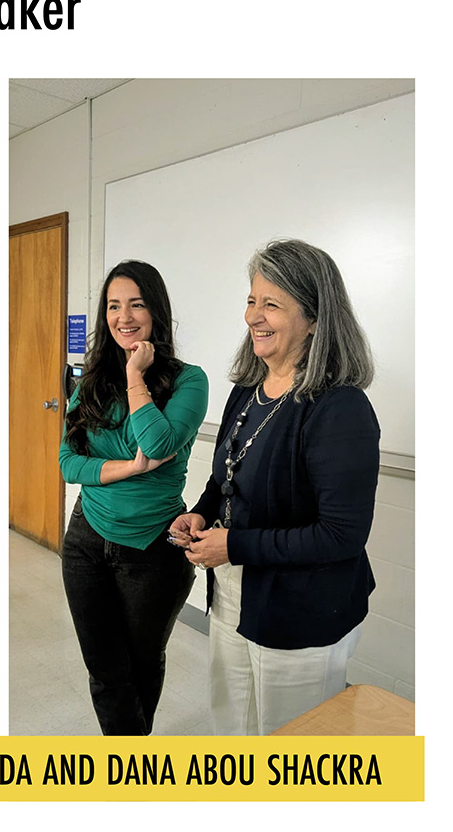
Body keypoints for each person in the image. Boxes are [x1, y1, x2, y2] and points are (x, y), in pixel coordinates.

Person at [169, 239, 378, 735]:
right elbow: (227, 477)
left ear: (313, 317)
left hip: (302, 612)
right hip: (234, 596)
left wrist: (234, 544)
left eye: (271, 304)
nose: (253, 316)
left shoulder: (339, 408)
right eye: (250, 300)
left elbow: (341, 536)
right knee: (234, 730)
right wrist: (201, 512)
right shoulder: (248, 391)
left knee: (290, 750)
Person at [58, 261, 208, 735]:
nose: (124, 317)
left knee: (141, 663)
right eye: (113, 306)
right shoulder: (88, 382)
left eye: (136, 304)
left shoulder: (189, 381)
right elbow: (67, 463)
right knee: (105, 670)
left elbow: (160, 444)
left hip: (152, 549)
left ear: (156, 311)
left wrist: (135, 376)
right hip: (85, 540)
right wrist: (131, 465)